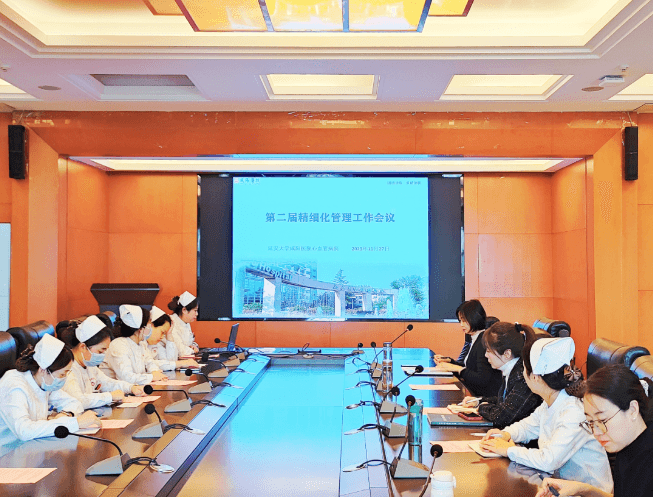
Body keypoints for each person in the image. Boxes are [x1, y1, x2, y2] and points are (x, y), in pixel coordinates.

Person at [479, 336, 613, 493]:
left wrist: (508, 450)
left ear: (535, 377)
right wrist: (506, 434)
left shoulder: (574, 411)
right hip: (560, 487)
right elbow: (529, 425)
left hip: (588, 493)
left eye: (524, 370)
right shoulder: (552, 400)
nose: (523, 375)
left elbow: (548, 460)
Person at [536, 364, 653, 497]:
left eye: (602, 420)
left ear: (633, 410)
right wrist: (580, 488)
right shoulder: (626, 445)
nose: (596, 433)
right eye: (591, 422)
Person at [0, 334, 100, 442]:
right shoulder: (14, 385)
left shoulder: (44, 381)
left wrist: (65, 415)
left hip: (36, 443)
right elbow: (24, 431)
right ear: (43, 370)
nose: (64, 378)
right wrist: (76, 423)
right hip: (10, 448)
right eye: (62, 374)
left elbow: (75, 403)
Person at [460, 322, 541, 428]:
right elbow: (504, 400)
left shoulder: (522, 375)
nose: (486, 355)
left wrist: (481, 408)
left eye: (489, 351)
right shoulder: (511, 368)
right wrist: (478, 401)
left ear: (507, 354)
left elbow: (501, 417)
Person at [60, 315, 146, 409]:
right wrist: (110, 396)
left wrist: (131, 388)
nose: (103, 355)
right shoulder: (67, 369)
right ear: (83, 347)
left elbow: (107, 383)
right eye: (101, 351)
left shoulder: (89, 366)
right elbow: (79, 400)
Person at [434, 300, 503, 397]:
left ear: (474, 318)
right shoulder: (475, 338)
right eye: (460, 321)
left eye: (464, 320)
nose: (461, 324)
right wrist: (449, 362)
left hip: (484, 398)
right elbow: (469, 368)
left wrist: (456, 368)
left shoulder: (483, 342)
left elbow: (482, 379)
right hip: (473, 394)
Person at [105, 304, 168, 385]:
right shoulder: (118, 345)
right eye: (149, 325)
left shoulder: (141, 344)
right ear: (141, 329)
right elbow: (127, 377)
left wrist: (155, 371)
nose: (150, 329)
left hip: (136, 388)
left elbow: (150, 362)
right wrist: (152, 377)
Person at [146, 305, 199, 371]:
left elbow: (171, 360)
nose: (162, 337)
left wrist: (169, 335)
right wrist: (180, 363)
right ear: (149, 325)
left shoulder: (156, 345)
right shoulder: (142, 344)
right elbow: (148, 364)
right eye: (162, 332)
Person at [168, 291, 200, 357]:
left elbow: (190, 342)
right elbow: (181, 351)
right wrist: (192, 350)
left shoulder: (186, 322)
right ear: (184, 310)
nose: (197, 314)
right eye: (195, 310)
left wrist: (194, 346)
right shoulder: (172, 322)